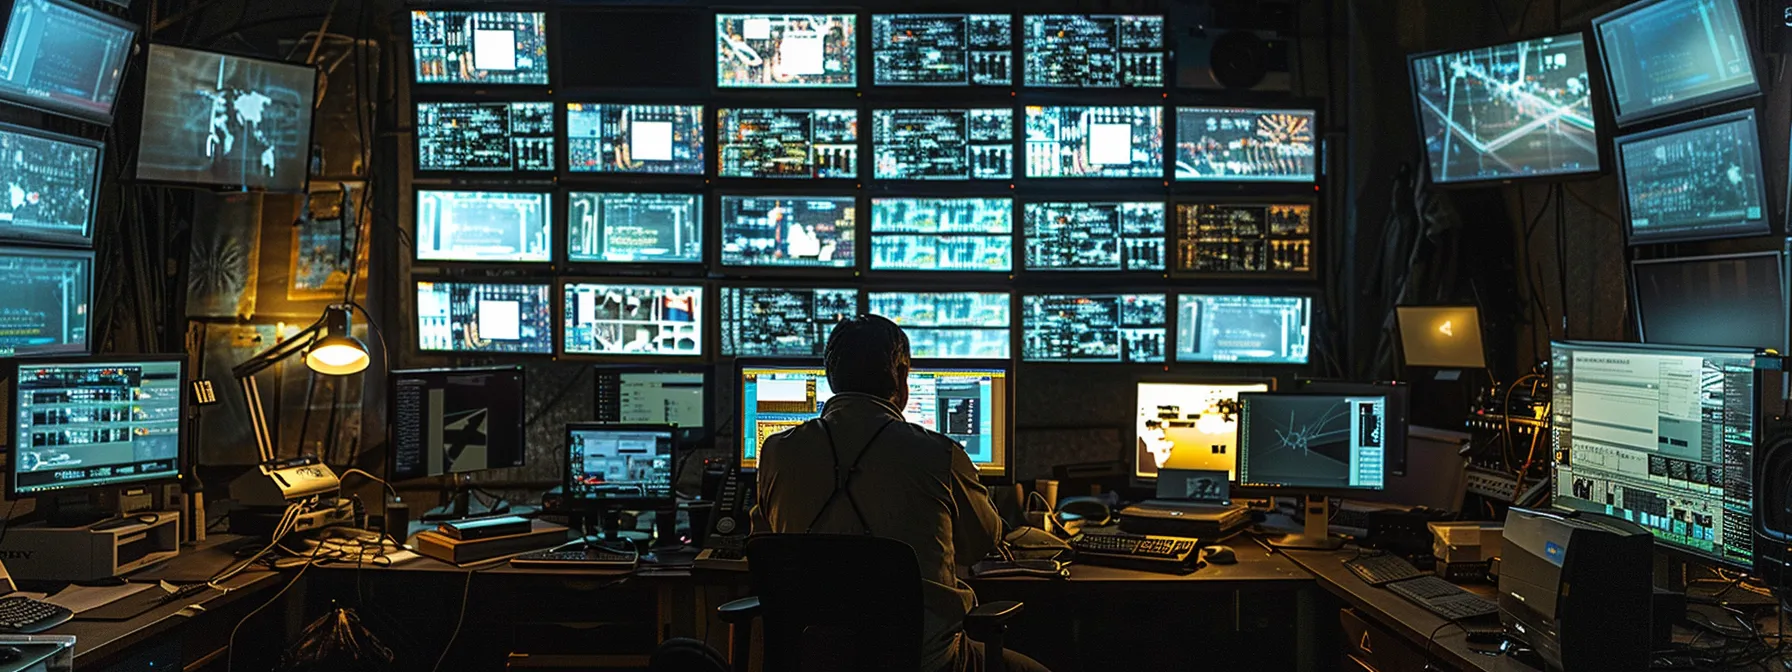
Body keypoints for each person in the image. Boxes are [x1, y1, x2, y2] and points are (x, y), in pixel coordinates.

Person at [751, 315, 1052, 672]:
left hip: (815, 659)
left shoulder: (776, 453)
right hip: (927, 663)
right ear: (902, 375)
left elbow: (764, 543)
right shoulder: (939, 455)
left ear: (831, 377)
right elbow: (981, 543)